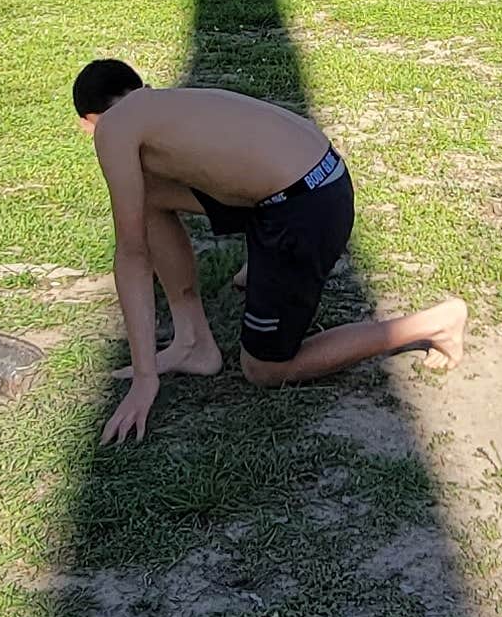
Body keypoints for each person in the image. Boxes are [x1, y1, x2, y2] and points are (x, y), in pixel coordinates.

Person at [73, 59, 465, 445]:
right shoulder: (160, 106)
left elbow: (132, 254)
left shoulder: (113, 127)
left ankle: (434, 323)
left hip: (308, 207)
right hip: (317, 178)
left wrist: (144, 379)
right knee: (150, 194)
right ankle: (193, 341)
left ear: (87, 124)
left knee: (264, 367)